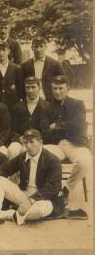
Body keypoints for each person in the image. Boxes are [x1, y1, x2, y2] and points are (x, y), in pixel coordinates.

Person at [0, 129, 64, 227]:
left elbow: (52, 187)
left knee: (37, 212)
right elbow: (4, 168)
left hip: (45, 199)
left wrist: (31, 201)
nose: (28, 146)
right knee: (0, 180)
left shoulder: (53, 160)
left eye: (32, 142)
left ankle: (7, 214)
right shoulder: (22, 157)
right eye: (26, 143)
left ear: (40, 142)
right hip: (24, 195)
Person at [43, 75, 92, 205]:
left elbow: (78, 124)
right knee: (39, 155)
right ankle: (48, 190)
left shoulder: (77, 104)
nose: (57, 92)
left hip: (75, 144)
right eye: (54, 88)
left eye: (60, 88)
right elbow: (45, 130)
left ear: (68, 88)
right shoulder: (48, 107)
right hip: (57, 144)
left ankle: (65, 191)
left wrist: (57, 126)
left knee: (85, 161)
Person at [8, 76, 50, 160]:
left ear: (39, 87)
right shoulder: (17, 106)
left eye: (33, 87)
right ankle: (14, 173)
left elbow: (48, 131)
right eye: (27, 87)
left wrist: (36, 140)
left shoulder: (47, 106)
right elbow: (13, 129)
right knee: (12, 149)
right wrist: (19, 138)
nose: (30, 90)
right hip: (21, 141)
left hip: (39, 142)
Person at [21, 36, 64, 101]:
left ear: (45, 47)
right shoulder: (25, 65)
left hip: (50, 100)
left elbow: (63, 82)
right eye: (36, 47)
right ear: (32, 48)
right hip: (31, 100)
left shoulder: (55, 64)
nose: (38, 50)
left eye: (41, 46)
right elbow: (21, 84)